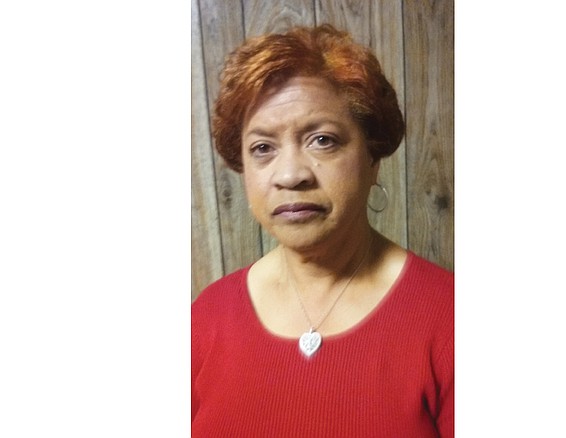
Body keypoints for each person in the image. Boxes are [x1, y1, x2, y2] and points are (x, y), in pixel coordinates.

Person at [191, 24, 453, 437]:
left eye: (322, 140)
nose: (290, 175)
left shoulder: (450, 318)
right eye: (263, 148)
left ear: (372, 158)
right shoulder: (207, 317)